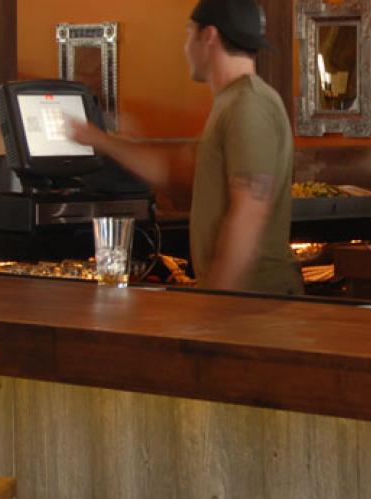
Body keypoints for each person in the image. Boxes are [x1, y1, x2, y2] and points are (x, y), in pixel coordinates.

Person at [69, 0, 301, 295]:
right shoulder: (232, 102)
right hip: (244, 306)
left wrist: (214, 303)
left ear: (209, 36)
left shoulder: (249, 105)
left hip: (255, 307)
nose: (185, 46)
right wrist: (99, 139)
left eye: (188, 33)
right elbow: (174, 173)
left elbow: (248, 213)